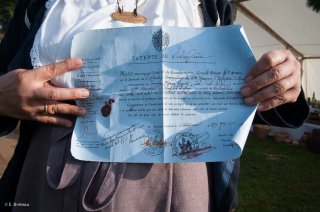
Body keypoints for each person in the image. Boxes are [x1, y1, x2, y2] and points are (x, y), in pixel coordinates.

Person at [0, 0, 309, 211]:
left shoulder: (212, 5)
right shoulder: (40, 3)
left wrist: (278, 84)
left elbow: (227, 93)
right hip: (51, 171)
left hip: (176, 182)